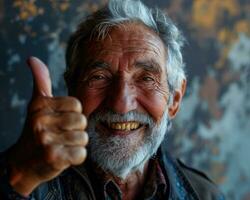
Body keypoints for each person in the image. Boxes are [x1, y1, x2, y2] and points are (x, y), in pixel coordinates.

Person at [0, 0, 225, 199]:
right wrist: (19, 179)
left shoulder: (205, 195)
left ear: (174, 100)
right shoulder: (25, 180)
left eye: (146, 78)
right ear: (73, 90)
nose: (121, 103)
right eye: (99, 77)